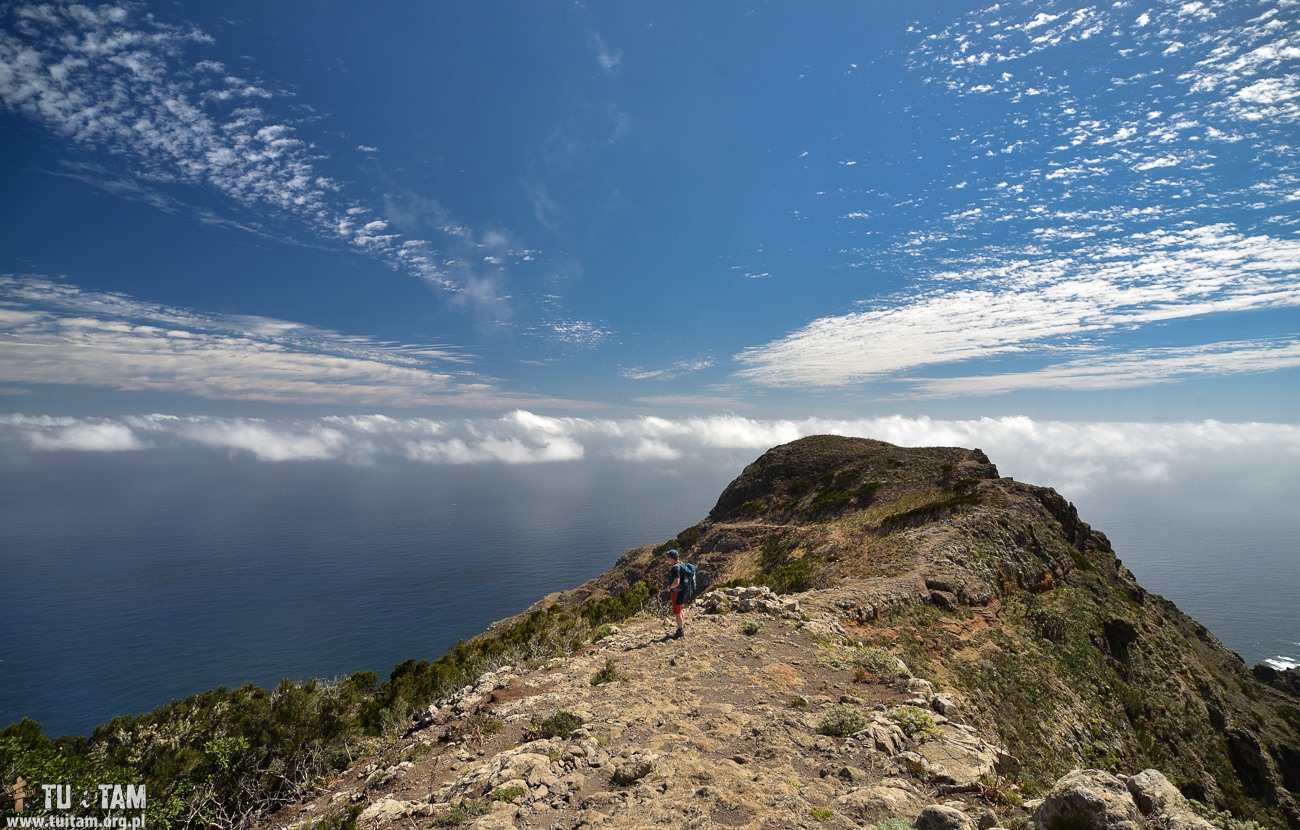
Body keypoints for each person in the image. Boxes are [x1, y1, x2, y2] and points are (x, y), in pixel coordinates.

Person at [665, 549, 686, 639]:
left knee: (677, 612)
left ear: (672, 558)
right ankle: (681, 627)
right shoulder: (681, 564)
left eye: (668, 557)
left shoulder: (674, 568)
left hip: (677, 592)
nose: (667, 558)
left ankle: (680, 630)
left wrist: (670, 588)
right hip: (683, 591)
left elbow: (676, 582)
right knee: (680, 609)